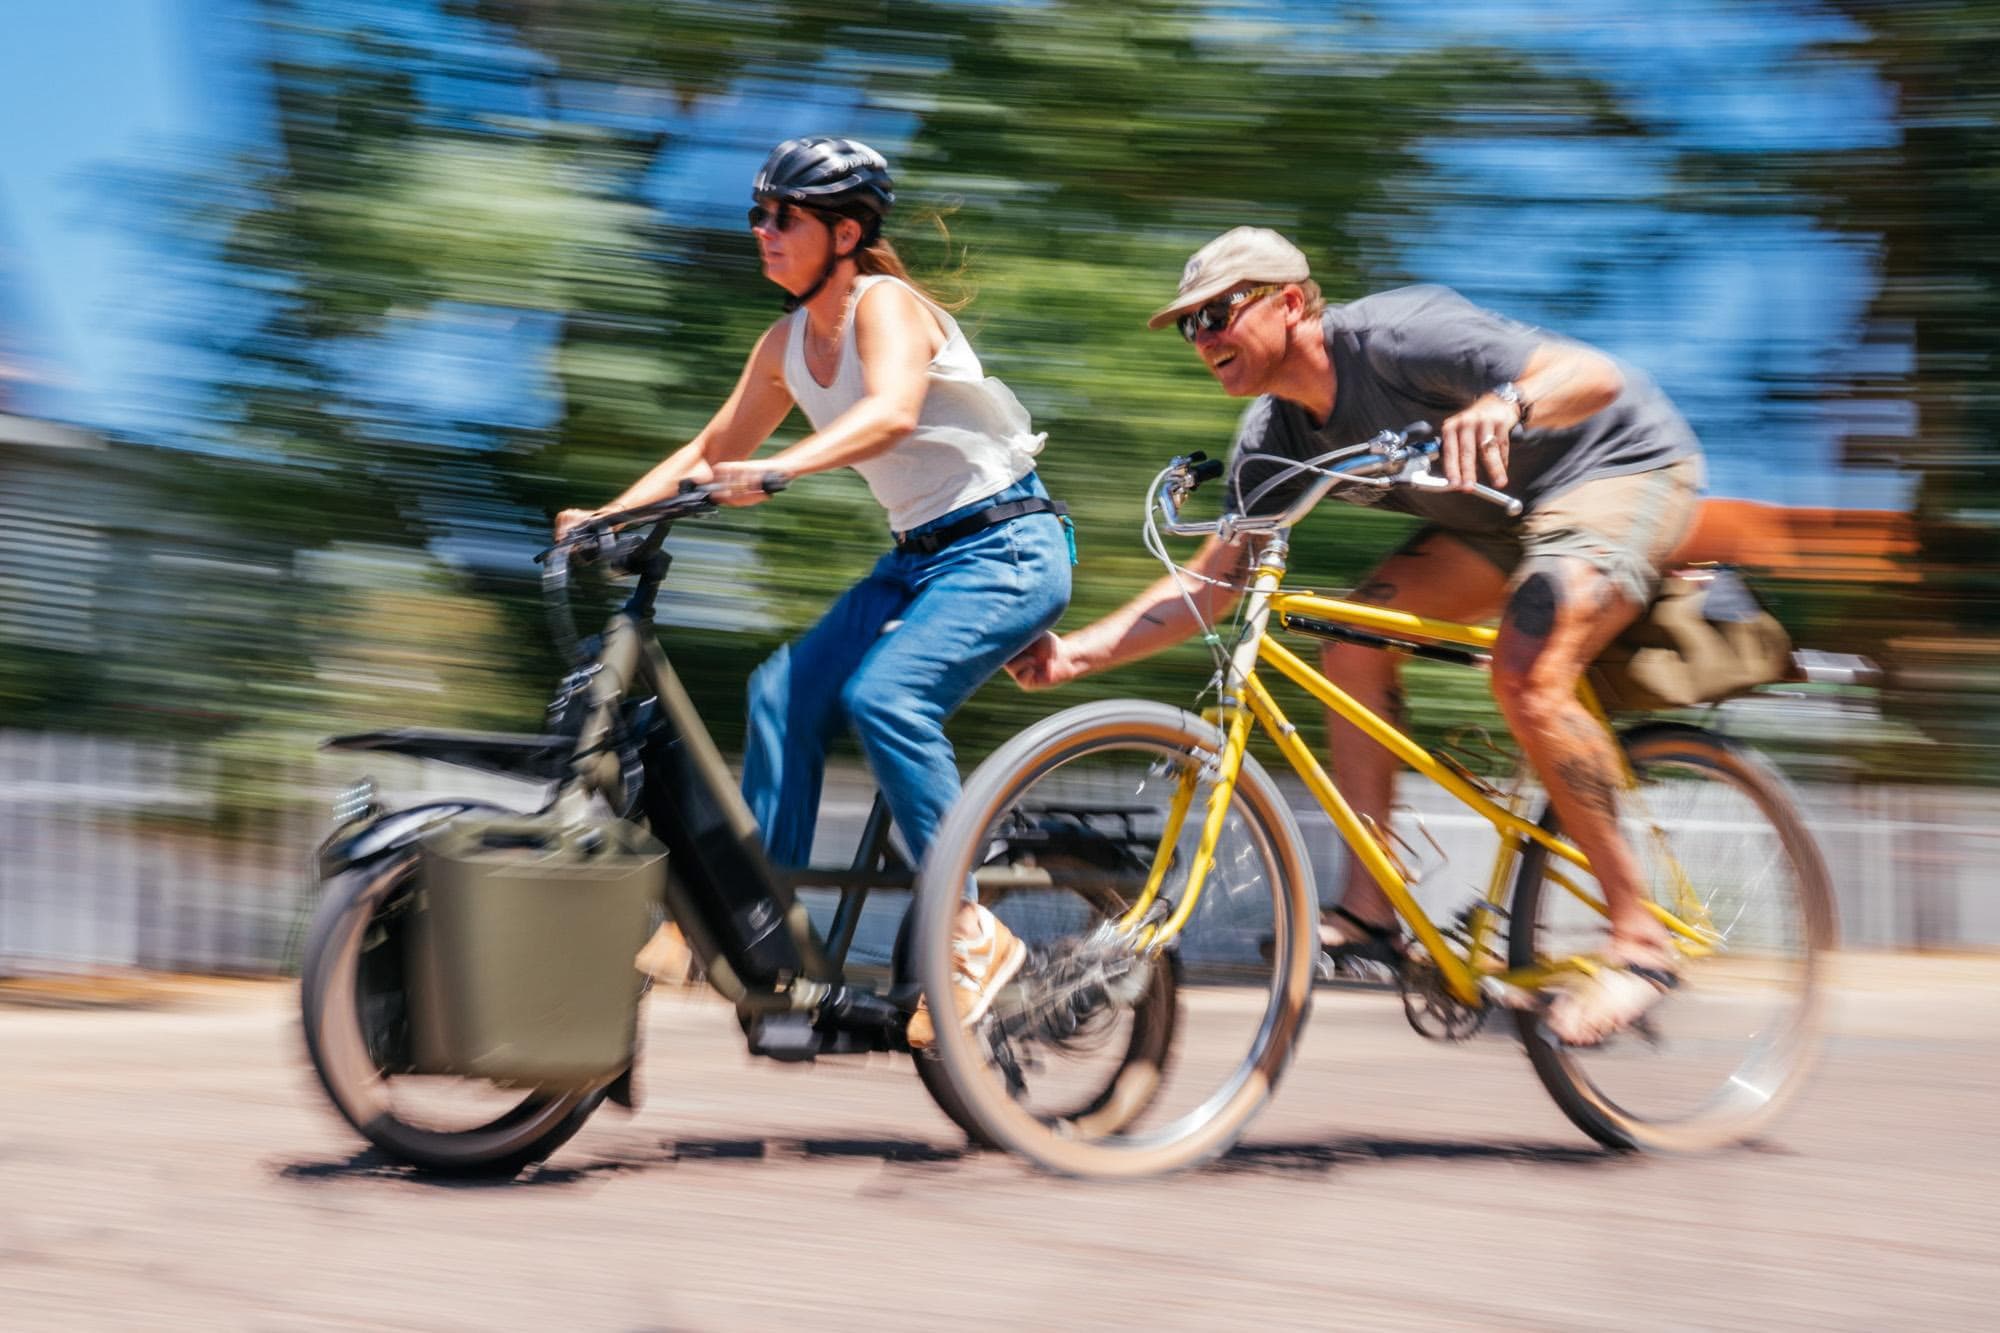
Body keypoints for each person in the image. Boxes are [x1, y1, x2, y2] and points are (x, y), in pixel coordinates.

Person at [1007, 227, 1705, 1045]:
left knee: (1527, 675)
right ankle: (1374, 912)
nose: (1204, 340)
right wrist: (1074, 654)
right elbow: (1209, 582)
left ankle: (1640, 941)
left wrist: (1503, 402)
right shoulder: (1274, 441)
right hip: (1497, 518)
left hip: (1614, 465)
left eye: (1218, 314)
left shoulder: (1400, 337)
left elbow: (1596, 376)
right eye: (1191, 327)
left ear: (1292, 302)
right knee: (1346, 646)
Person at [557, 137, 1072, 1046]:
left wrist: (783, 466)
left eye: (780, 216)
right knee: (781, 694)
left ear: (844, 232)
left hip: (1006, 547)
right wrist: (604, 518)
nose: (762, 231)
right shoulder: (786, 340)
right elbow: (710, 452)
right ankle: (765, 928)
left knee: (887, 696)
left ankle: (970, 931)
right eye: (756, 214)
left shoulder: (886, 304)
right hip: (920, 557)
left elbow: (892, 412)